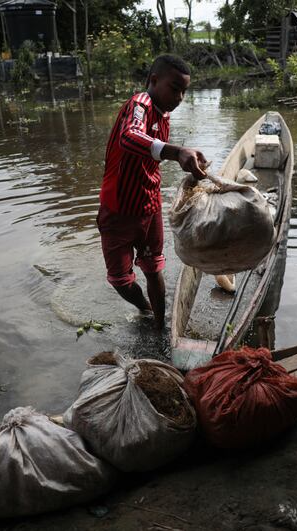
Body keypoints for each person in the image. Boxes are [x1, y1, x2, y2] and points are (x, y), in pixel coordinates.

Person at [97, 54, 208, 330]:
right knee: (121, 280)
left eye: (184, 91)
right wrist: (177, 151)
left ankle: (160, 327)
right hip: (118, 210)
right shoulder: (140, 103)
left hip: (149, 206)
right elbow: (129, 136)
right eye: (174, 88)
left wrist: (188, 158)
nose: (180, 97)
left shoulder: (163, 114)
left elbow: (150, 154)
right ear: (154, 80)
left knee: (153, 268)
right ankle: (144, 309)